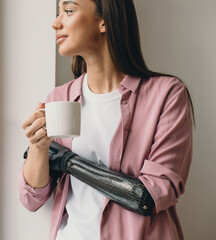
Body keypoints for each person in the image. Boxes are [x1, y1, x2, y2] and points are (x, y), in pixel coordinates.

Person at [18, 0, 194, 239]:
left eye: (68, 11)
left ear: (104, 21)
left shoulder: (167, 94)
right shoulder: (60, 98)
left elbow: (150, 196)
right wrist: (38, 147)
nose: (55, 22)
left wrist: (67, 161)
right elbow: (31, 199)